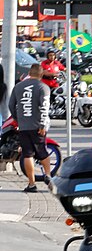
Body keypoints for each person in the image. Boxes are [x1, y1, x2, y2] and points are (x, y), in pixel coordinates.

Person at [8, 63, 51, 192]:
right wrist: (42, 124)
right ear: (41, 74)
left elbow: (11, 105)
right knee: (42, 151)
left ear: (29, 73)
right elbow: (44, 107)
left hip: (24, 126)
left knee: (27, 154)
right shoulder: (43, 87)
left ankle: (31, 184)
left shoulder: (18, 87)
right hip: (38, 126)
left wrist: (18, 119)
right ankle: (48, 176)